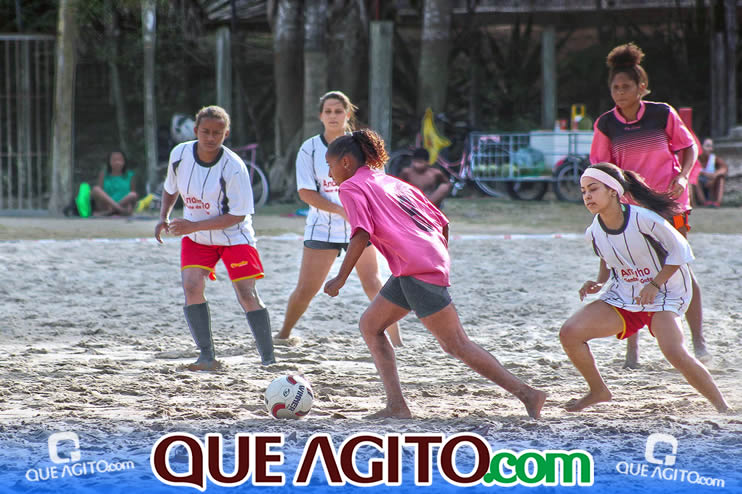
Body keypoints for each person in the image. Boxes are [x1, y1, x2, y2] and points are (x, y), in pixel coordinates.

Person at [323, 129, 547, 419]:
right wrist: (436, 258)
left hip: (416, 267)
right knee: (370, 325)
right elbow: (442, 223)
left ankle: (528, 394)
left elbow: (361, 234)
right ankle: (396, 406)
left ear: (345, 162)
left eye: (330, 166)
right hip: (417, 264)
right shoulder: (392, 182)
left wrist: (340, 278)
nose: (329, 174)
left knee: (456, 344)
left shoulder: (351, 187)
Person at [559, 163, 729, 413]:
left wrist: (655, 284)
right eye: (583, 191)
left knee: (674, 352)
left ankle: (724, 408)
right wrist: (599, 281)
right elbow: (607, 258)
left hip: (666, 293)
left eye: (593, 189)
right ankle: (598, 391)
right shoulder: (594, 230)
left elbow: (681, 252)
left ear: (613, 191)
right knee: (569, 333)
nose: (587, 196)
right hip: (625, 295)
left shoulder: (645, 219)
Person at [590, 42, 709, 367]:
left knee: (679, 266)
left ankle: (699, 341)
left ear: (641, 86)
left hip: (671, 203)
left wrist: (683, 177)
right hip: (630, 209)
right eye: (615, 87)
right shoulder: (606, 124)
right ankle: (632, 352)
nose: (620, 93)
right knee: (632, 273)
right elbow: (601, 168)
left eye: (626, 87)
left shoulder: (662, 113)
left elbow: (689, 147)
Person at [275, 91, 402, 347]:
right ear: (320, 116)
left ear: (348, 114)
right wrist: (341, 210)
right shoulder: (310, 148)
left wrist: (362, 214)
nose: (333, 116)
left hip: (362, 227)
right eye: (328, 111)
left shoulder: (363, 147)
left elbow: (379, 185)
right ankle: (284, 334)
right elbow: (305, 192)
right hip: (322, 227)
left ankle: (397, 341)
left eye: (338, 111)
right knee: (306, 289)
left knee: (373, 283)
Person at [154, 105, 275, 370]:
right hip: (197, 237)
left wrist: (192, 226)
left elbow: (238, 215)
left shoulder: (234, 167)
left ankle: (268, 359)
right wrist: (164, 216)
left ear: (226, 134)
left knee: (246, 293)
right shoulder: (180, 155)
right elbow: (170, 188)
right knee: (191, 286)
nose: (210, 137)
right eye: (205, 131)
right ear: (196, 130)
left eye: (217, 133)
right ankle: (206, 356)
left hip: (234, 237)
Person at [91, 151, 139, 216]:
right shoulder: (103, 174)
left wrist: (130, 206)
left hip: (124, 205)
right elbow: (100, 195)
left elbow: (133, 196)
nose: (117, 162)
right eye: (114, 160)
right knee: (96, 189)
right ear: (109, 162)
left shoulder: (130, 175)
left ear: (124, 162)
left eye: (120, 160)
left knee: (133, 194)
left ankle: (110, 212)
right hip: (106, 206)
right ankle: (117, 210)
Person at [692, 138, 727, 208]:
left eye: (711, 147)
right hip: (700, 184)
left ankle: (717, 202)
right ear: (701, 147)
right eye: (708, 146)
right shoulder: (695, 158)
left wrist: (714, 175)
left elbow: (724, 168)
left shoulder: (714, 158)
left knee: (721, 179)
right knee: (695, 178)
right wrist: (705, 174)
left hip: (711, 183)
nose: (710, 149)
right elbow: (692, 170)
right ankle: (703, 202)